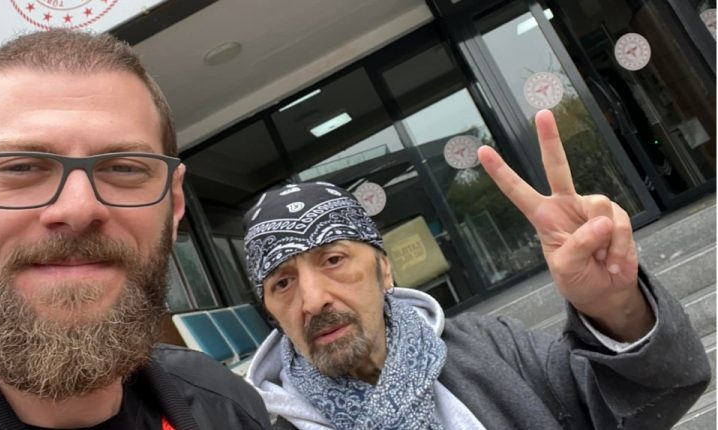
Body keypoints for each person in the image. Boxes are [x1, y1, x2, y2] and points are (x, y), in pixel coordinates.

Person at [242, 110, 710, 430]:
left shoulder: (490, 348)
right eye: (282, 282)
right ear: (270, 311)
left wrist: (616, 308)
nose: (312, 299)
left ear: (384, 270)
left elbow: (643, 402)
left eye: (333, 260)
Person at [0, 29, 271, 429]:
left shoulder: (229, 405)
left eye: (124, 168)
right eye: (20, 167)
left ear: (174, 203)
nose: (79, 209)